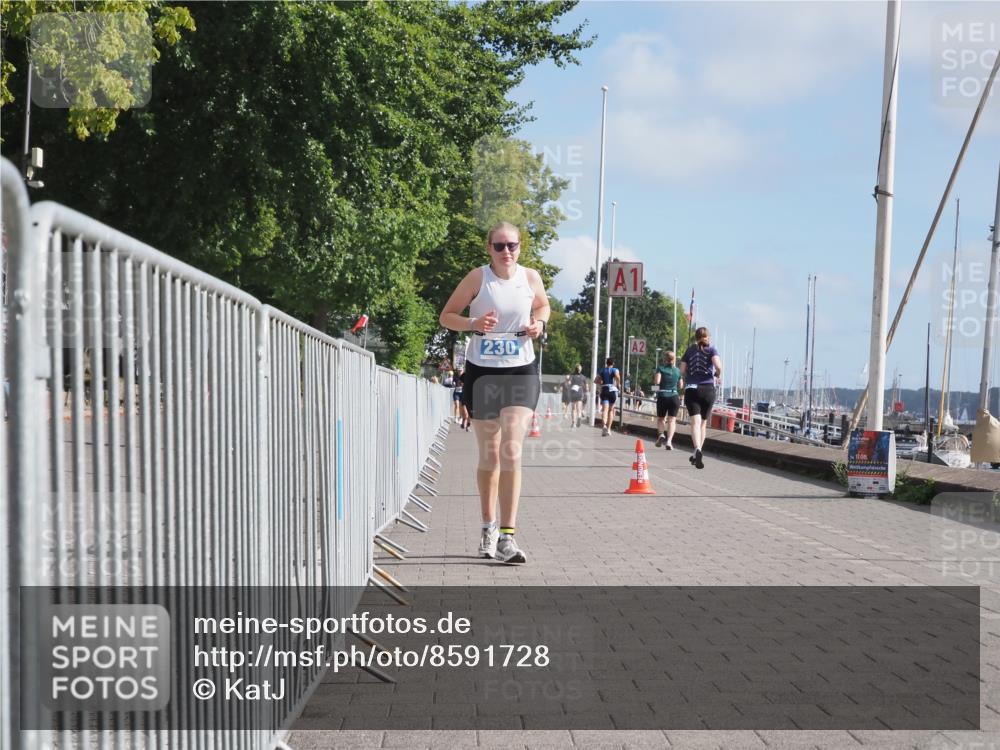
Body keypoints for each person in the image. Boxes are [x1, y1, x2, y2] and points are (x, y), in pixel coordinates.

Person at [438, 221, 549, 564]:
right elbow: (447, 317)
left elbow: (543, 306)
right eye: (499, 245)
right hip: (483, 373)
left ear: (520, 247)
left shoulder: (530, 278)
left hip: (520, 370)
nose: (506, 252)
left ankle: (507, 536)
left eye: (512, 245)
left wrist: (538, 324)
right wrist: (472, 324)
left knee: (511, 449)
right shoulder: (477, 278)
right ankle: (487, 526)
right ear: (489, 248)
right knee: (490, 455)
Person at [679, 327, 723, 469]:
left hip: (692, 389)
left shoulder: (689, 350)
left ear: (695, 337)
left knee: (695, 423)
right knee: (703, 423)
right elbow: (718, 366)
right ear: (707, 337)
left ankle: (696, 449)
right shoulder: (712, 349)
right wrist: (717, 374)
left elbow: (682, 371)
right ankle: (698, 450)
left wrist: (688, 378)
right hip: (708, 389)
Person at [654, 351, 683, 449]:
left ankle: (661, 434)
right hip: (674, 396)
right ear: (674, 359)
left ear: (665, 359)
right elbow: (681, 385)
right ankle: (669, 441)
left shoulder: (660, 368)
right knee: (672, 420)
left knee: (661, 418)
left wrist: (654, 387)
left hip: (663, 395)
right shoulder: (678, 371)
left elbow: (657, 382)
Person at [595, 357, 621, 437]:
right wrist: (618, 384)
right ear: (613, 364)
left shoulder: (602, 370)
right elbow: (617, 376)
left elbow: (596, 381)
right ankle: (609, 429)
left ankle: (604, 426)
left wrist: (602, 382)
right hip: (612, 391)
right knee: (611, 410)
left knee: (604, 410)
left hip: (604, 389)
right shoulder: (615, 370)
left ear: (606, 363)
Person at [570, 364, 588, 428]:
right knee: (578, 408)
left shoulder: (572, 376)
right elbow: (587, 387)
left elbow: (569, 383)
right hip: (580, 392)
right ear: (581, 370)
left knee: (573, 409)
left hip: (573, 392)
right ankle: (579, 417)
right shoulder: (583, 377)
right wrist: (586, 391)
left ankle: (573, 423)